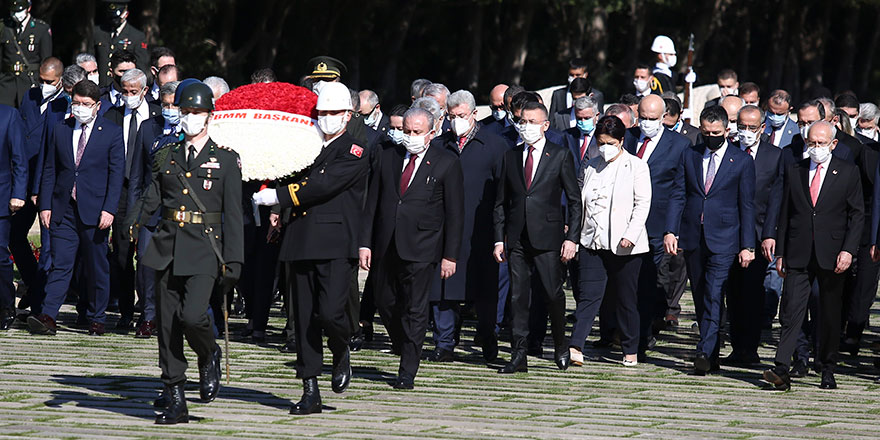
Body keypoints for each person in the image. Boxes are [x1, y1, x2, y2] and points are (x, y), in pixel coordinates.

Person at [124, 81, 241, 423]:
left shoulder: (226, 160)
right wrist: (130, 225)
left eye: (195, 113)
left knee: (193, 316)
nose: (188, 118)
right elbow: (152, 196)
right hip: (167, 246)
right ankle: (175, 393)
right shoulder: (168, 155)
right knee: (167, 326)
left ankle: (209, 353)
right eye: (184, 111)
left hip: (205, 248)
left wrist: (234, 259)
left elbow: (233, 214)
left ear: (209, 116)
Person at [252, 81, 368, 414]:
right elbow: (284, 171)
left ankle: (341, 345)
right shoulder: (303, 145)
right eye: (322, 112)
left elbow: (321, 184)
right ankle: (310, 387)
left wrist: (278, 197)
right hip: (300, 238)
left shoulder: (354, 150)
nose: (327, 118)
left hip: (334, 241)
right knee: (302, 318)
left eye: (333, 113)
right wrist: (276, 203)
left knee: (331, 312)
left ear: (347, 116)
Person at [359, 106, 464, 388]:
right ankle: (403, 342)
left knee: (416, 308)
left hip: (423, 247)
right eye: (406, 131)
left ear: (431, 133)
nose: (410, 136)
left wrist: (450, 256)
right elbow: (373, 203)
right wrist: (364, 243)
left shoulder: (446, 162)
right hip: (385, 244)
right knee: (384, 300)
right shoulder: (387, 156)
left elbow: (455, 213)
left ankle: (407, 369)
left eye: (416, 132)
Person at [764, 121, 863, 391]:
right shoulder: (795, 170)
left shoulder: (847, 171)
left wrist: (848, 250)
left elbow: (856, 214)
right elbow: (786, 214)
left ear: (833, 144)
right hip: (798, 251)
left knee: (829, 313)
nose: (816, 148)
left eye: (821, 143)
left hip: (832, 254)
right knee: (791, 310)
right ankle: (782, 367)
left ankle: (827, 367)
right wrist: (781, 253)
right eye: (811, 143)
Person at [664, 105, 756, 375]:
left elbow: (746, 205)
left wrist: (747, 245)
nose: (710, 136)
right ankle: (712, 354)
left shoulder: (740, 161)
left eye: (716, 132)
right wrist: (671, 229)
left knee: (714, 294)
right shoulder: (690, 155)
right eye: (706, 132)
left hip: (725, 238)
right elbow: (678, 194)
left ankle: (703, 351)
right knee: (701, 293)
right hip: (694, 237)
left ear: (727, 131)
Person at [28, 80, 124, 337]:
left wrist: (109, 209)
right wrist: (45, 205)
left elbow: (116, 175)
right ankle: (48, 315)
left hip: (95, 210)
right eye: (76, 103)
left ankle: (97, 317)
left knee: (96, 266)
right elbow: (50, 168)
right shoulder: (60, 129)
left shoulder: (111, 132)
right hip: (64, 208)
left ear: (97, 106)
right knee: (61, 264)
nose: (80, 108)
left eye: (86, 104)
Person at [493, 101, 581, 374]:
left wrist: (572, 237)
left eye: (532, 122)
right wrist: (499, 238)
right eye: (522, 121)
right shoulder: (510, 156)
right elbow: (500, 202)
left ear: (544, 126)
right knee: (518, 296)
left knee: (553, 293)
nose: (526, 127)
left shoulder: (560, 155)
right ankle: (519, 353)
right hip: (517, 237)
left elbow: (575, 200)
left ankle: (560, 344)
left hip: (549, 236)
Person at [427, 90, 508, 364]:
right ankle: (444, 342)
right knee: (444, 289)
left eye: (461, 116)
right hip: (445, 229)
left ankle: (488, 338)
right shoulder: (439, 145)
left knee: (484, 290)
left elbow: (503, 191)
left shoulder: (495, 146)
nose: (456, 121)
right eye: (451, 117)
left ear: (474, 114)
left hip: (481, 229)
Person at [570, 115, 651, 366]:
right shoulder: (591, 165)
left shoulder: (636, 166)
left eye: (610, 142)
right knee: (588, 295)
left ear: (621, 141)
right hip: (592, 241)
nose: (605, 147)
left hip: (624, 244)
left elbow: (642, 203)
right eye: (601, 142)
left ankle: (630, 348)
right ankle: (575, 346)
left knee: (626, 298)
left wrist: (630, 233)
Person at [624, 94, 691, 353]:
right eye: (643, 117)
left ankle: (641, 337)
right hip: (625, 222)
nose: (647, 123)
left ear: (664, 118)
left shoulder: (680, 145)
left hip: (656, 224)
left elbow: (679, 190)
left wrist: (672, 229)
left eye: (653, 118)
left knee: (650, 280)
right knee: (626, 283)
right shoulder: (627, 137)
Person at [723, 105, 783, 365]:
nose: (745, 132)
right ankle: (737, 346)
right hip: (729, 233)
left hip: (759, 234)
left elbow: (776, 199)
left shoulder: (775, 156)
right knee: (733, 293)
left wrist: (770, 234)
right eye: (741, 126)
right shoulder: (730, 150)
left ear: (762, 128)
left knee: (753, 291)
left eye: (751, 127)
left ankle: (751, 346)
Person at [104, 68, 162, 330]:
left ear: (145, 91)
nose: (129, 97)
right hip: (122, 191)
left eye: (133, 92)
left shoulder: (159, 117)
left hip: (153, 192)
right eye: (124, 92)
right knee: (123, 254)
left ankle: (149, 311)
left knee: (149, 254)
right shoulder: (113, 116)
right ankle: (126, 310)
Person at [127, 80, 181, 338]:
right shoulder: (149, 128)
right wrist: (133, 216)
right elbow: (137, 176)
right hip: (150, 209)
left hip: (179, 210)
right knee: (146, 267)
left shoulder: (192, 131)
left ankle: (172, 317)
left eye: (174, 105)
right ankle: (148, 316)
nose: (169, 109)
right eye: (165, 105)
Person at [0, 102, 26, 329]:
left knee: (0, 254)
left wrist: (18, 193)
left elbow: (19, 158)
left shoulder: (9, 115)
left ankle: (6, 306)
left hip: (1, 196)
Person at [0, 0, 52, 108]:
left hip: (30, 82)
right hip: (7, 83)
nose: (16, 15)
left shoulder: (41, 29)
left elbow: (46, 60)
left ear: (28, 8)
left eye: (19, 11)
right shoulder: (4, 27)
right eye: (13, 12)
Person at [88, 0, 148, 87]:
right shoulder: (98, 32)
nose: (113, 21)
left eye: (116, 18)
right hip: (101, 85)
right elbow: (91, 58)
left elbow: (141, 66)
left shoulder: (137, 36)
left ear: (126, 14)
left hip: (123, 86)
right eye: (111, 18)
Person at [98, 49, 137, 114]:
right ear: (111, 72)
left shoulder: (144, 98)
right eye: (122, 71)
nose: (127, 75)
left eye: (131, 71)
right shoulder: (99, 96)